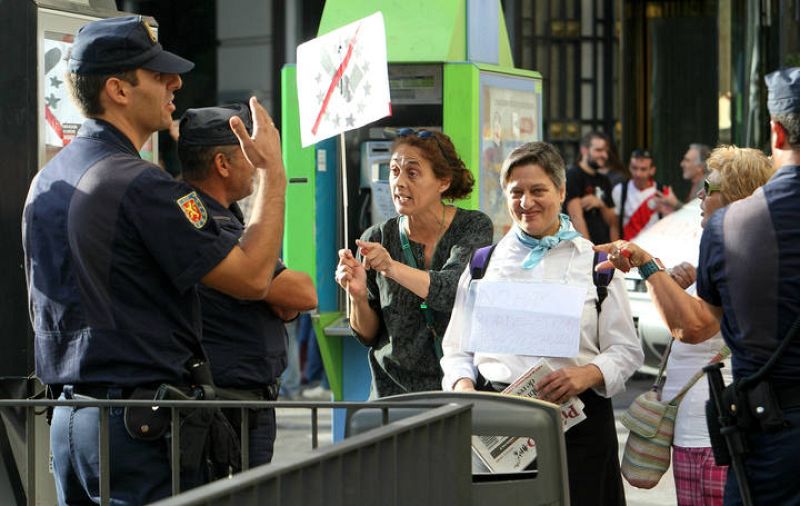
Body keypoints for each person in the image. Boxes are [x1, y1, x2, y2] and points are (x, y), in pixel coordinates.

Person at [22, 16, 286, 505]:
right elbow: (252, 278)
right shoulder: (141, 183)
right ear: (119, 89)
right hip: (139, 427)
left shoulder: (48, 178)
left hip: (72, 418)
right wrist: (272, 173)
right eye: (157, 73)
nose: (176, 83)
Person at [597, 67, 800, 505]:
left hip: (751, 435)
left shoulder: (733, 231)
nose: (699, 199)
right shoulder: (729, 235)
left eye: (708, 188)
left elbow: (694, 327)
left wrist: (649, 268)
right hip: (723, 428)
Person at [441, 142, 643, 506]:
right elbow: (456, 348)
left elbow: (627, 349)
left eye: (538, 190)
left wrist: (589, 374)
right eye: (516, 192)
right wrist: (464, 384)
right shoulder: (482, 266)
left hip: (579, 423)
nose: (526, 202)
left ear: (562, 192)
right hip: (499, 424)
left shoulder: (595, 266)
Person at [177, 104, 317, 468]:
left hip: (248, 400)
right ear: (223, 164)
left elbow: (287, 303)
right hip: (224, 404)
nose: (256, 165)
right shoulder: (199, 217)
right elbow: (302, 292)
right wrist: (275, 175)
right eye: (249, 155)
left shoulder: (230, 215)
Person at [335, 129, 493, 398]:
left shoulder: (473, 227)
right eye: (394, 171)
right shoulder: (376, 237)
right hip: (391, 393)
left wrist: (391, 266)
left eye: (412, 173)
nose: (399, 182)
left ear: (443, 181)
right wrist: (357, 296)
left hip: (458, 389)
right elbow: (369, 335)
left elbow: (450, 291)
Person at [563, 131, 620, 244]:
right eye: (599, 150)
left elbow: (613, 221)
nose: (604, 155)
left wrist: (600, 204)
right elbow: (576, 218)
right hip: (582, 250)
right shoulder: (573, 175)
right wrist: (589, 252)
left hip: (604, 248)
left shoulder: (604, 180)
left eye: (606, 151)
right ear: (584, 150)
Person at [611, 149, 666, 240]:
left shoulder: (661, 192)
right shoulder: (619, 190)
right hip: (628, 248)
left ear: (652, 170)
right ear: (629, 167)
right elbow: (614, 225)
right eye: (634, 168)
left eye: (643, 169)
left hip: (653, 248)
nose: (638, 174)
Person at [655, 143, 711, 213]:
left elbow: (696, 214)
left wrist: (675, 203)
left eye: (687, 160)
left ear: (700, 167)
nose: (682, 164)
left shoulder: (706, 185)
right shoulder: (697, 183)